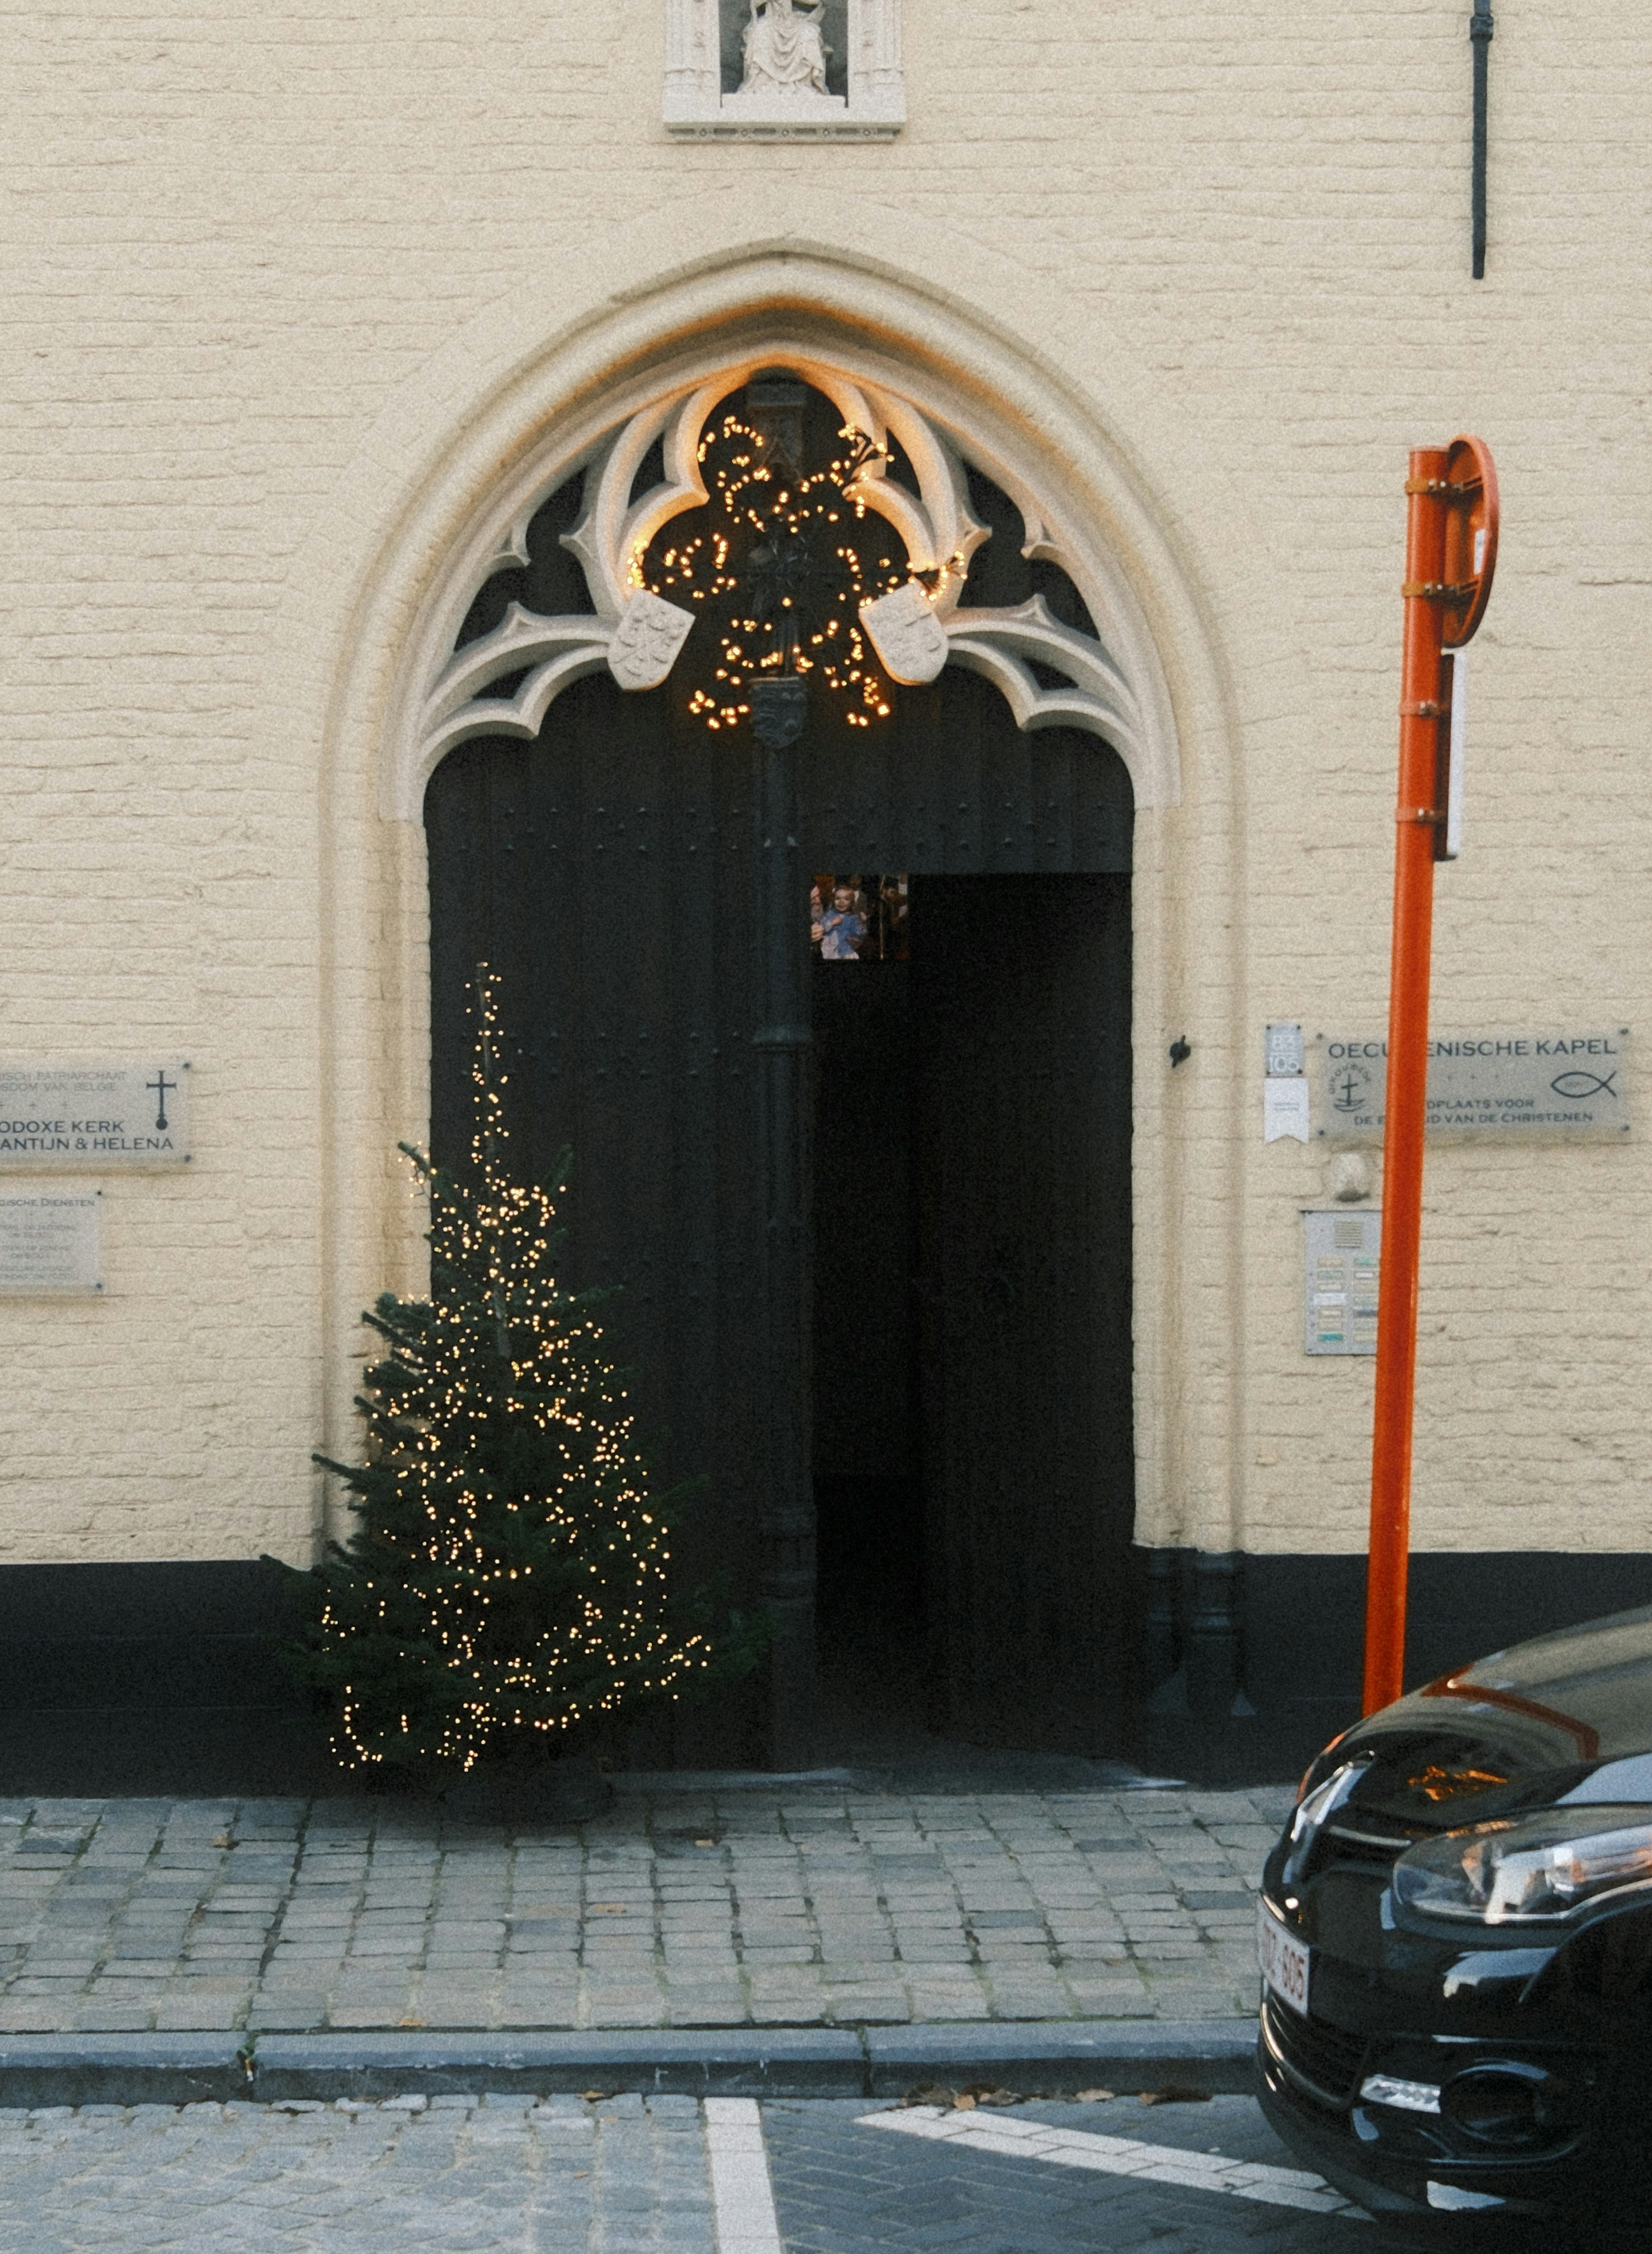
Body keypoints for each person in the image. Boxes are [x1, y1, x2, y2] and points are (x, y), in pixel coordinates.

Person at [741, 0, 830, 97]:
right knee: (761, 32)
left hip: (794, 21)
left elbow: (814, 2)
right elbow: (755, 3)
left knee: (808, 33)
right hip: (771, 20)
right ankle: (763, 82)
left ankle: (803, 83)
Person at [818, 882, 865, 960]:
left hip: (847, 950)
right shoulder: (830, 914)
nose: (841, 902)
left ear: (851, 902)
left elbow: (859, 934)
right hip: (830, 950)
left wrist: (861, 921)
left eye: (846, 899)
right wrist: (831, 923)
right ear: (833, 900)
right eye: (838, 898)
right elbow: (822, 928)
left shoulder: (853, 917)